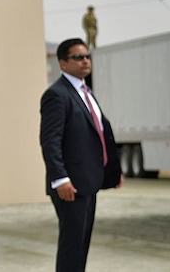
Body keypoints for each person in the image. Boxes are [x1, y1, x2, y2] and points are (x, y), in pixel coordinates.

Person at [40, 38, 123, 272]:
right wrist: (60, 179)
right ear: (63, 64)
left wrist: (113, 172)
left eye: (87, 56)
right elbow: (50, 141)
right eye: (78, 57)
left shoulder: (86, 92)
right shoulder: (56, 95)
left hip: (88, 182)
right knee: (72, 246)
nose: (85, 61)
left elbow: (99, 134)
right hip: (70, 186)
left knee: (81, 244)